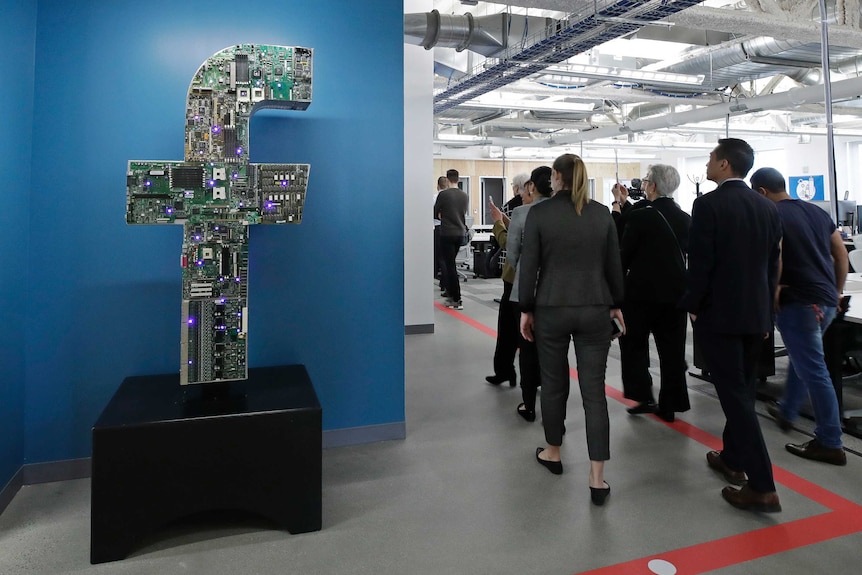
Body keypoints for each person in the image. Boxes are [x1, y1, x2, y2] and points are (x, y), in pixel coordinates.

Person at [680, 138, 783, 513]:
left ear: (725, 165)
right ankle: (732, 459)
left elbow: (701, 263)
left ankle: (762, 485)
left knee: (735, 398)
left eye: (710, 158)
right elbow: (773, 266)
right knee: (742, 390)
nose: (706, 164)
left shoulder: (707, 205)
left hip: (720, 316)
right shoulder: (768, 207)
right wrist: (768, 314)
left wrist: (693, 307)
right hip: (756, 316)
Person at [518, 154, 625, 507]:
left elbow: (529, 263)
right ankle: (597, 478)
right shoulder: (600, 213)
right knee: (594, 392)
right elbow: (614, 264)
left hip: (551, 308)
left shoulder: (540, 213)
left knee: (554, 384)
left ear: (555, 178)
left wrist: (526, 308)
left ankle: (553, 452)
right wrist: (616, 304)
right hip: (594, 308)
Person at [751, 167, 849, 466]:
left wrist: (773, 289)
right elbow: (841, 253)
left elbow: (775, 255)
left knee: (814, 369)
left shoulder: (772, 215)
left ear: (762, 192)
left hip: (800, 302)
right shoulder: (817, 212)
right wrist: (837, 291)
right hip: (826, 301)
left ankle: (830, 441)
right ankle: (788, 411)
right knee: (804, 357)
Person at [619, 164, 692, 422]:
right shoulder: (685, 218)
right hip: (675, 295)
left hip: (639, 294)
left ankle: (643, 395)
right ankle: (671, 404)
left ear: (652, 185)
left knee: (634, 345)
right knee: (672, 350)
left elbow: (623, 256)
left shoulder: (640, 216)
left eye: (646, 180)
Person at [506, 166, 553, 420]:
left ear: (531, 187)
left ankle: (528, 404)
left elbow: (512, 255)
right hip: (555, 293)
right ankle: (554, 408)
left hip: (523, 293)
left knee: (527, 347)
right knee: (552, 349)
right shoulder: (562, 212)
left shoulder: (521, 213)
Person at [485, 173, 530, 387]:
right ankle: (510, 372)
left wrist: (497, 222)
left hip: (516, 277)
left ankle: (510, 373)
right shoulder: (533, 211)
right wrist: (504, 219)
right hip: (523, 278)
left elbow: (511, 244)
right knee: (514, 329)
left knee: (512, 330)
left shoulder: (525, 209)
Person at [434, 169, 469, 310]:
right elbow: (463, 213)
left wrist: (442, 215)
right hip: (460, 233)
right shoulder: (464, 195)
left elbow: (435, 213)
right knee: (451, 264)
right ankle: (450, 292)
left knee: (450, 266)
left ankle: (456, 298)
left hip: (447, 233)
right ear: (458, 179)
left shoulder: (443, 194)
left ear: (447, 180)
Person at [433, 176, 448, 287]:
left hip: (437, 228)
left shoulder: (434, 197)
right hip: (448, 229)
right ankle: (445, 282)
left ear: (438, 186)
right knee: (446, 257)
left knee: (439, 256)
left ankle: (441, 280)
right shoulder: (450, 197)